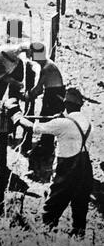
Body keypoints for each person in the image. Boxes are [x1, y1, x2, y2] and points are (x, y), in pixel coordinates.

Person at [6, 87, 93, 237]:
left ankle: (46, 239)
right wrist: (58, 119)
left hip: (67, 170)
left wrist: (16, 115)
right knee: (80, 209)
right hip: (85, 170)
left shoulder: (63, 123)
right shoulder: (87, 122)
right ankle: (79, 243)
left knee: (50, 210)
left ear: (66, 104)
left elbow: (32, 127)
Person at [26, 42, 65, 158]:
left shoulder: (47, 68)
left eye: (32, 53)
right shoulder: (46, 65)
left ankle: (45, 149)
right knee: (46, 120)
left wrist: (26, 95)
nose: (30, 56)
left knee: (47, 121)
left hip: (54, 96)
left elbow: (38, 89)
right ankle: (45, 146)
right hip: (52, 94)